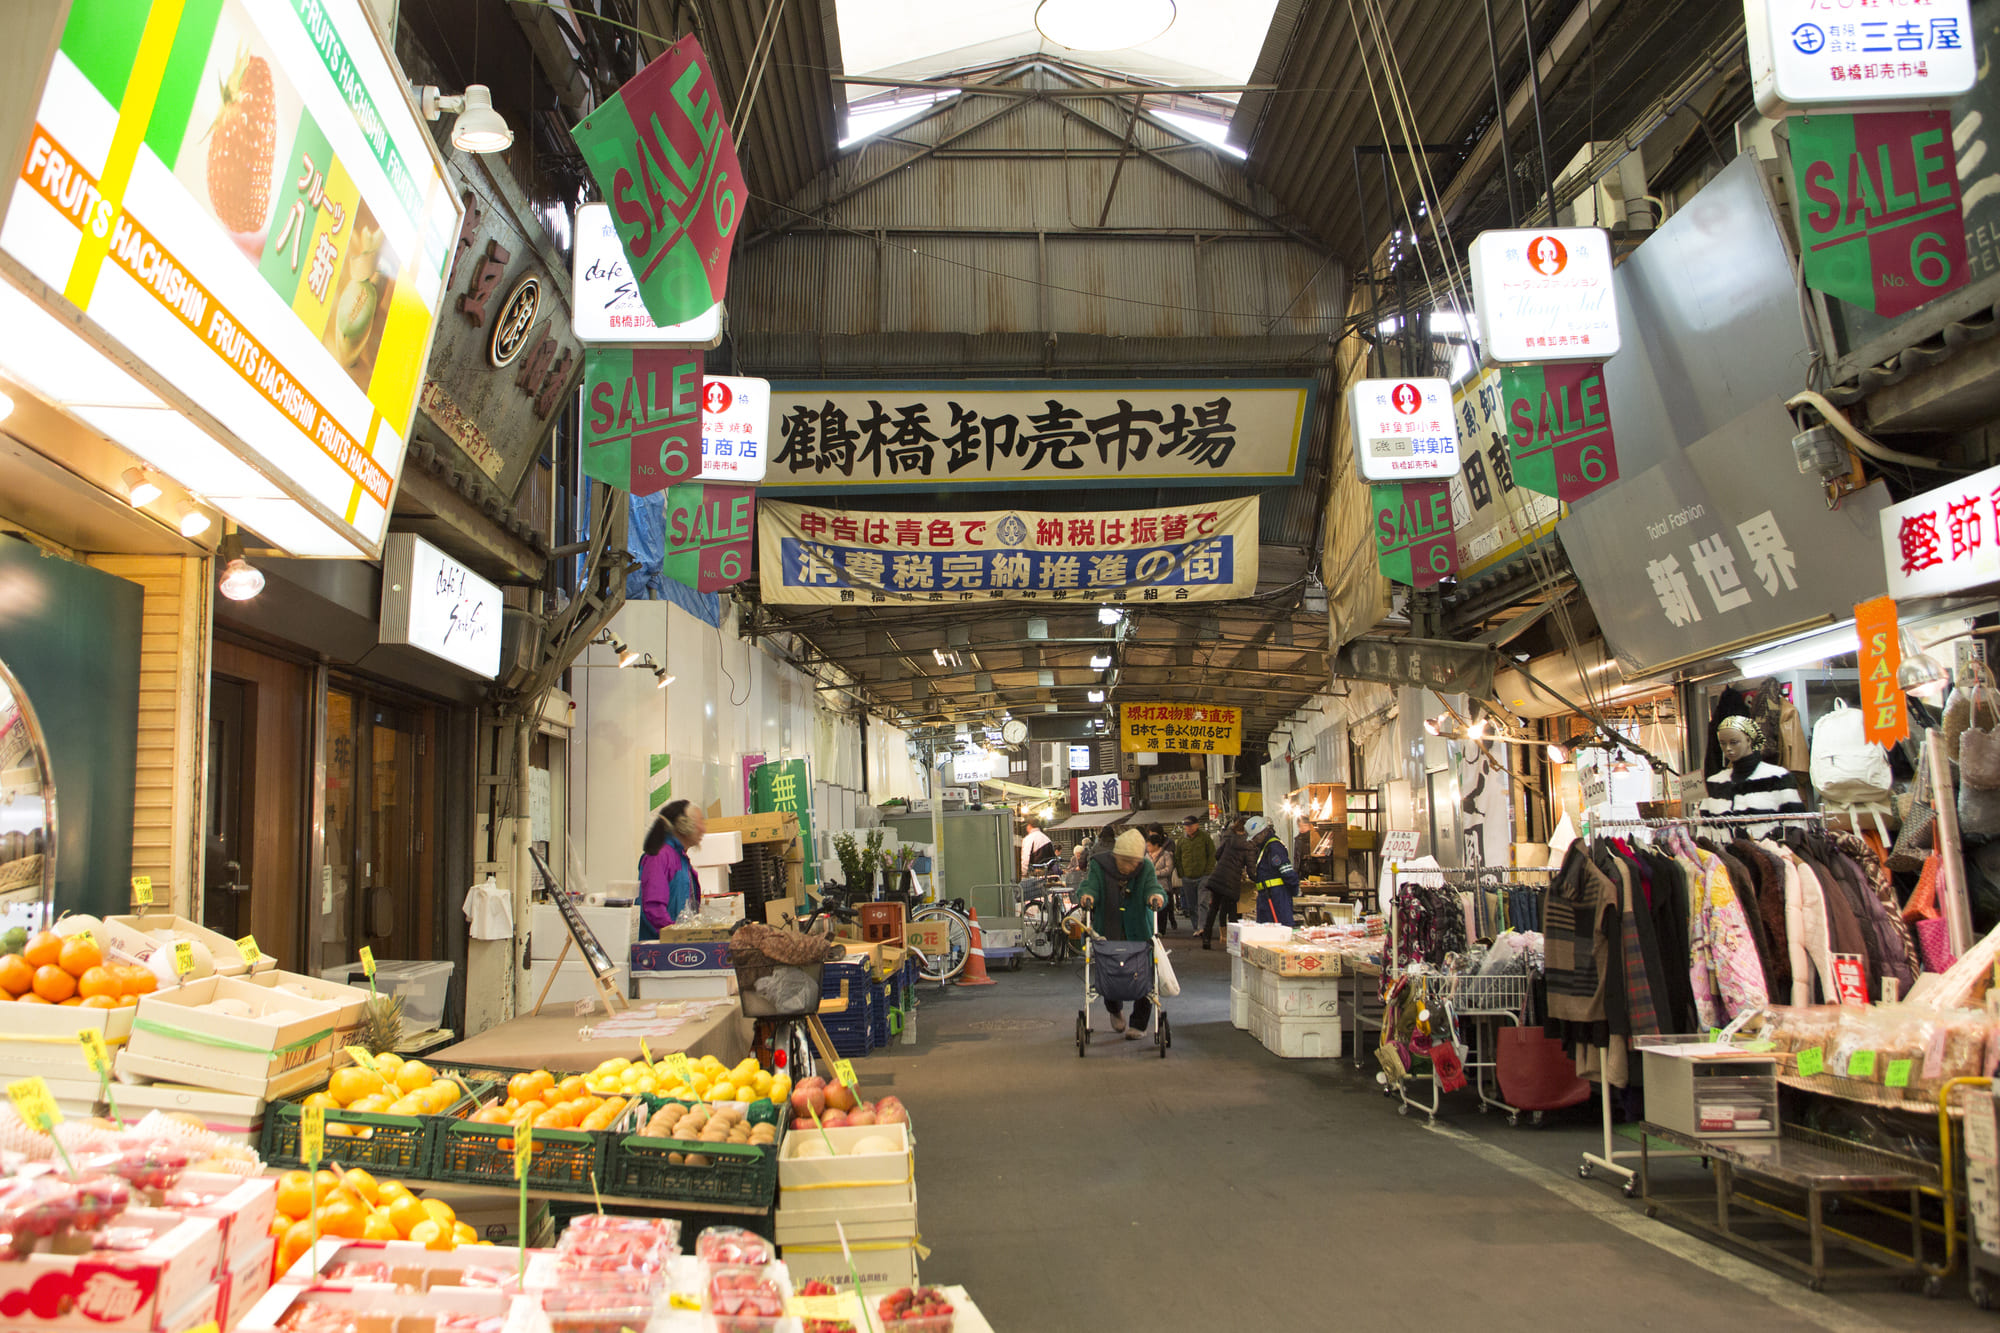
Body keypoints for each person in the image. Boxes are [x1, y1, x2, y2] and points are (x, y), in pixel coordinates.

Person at [1079, 828, 1165, 1038]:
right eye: (1125, 861)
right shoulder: (1100, 864)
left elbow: (1153, 887)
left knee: (1144, 976)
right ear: (1115, 855)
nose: (1129, 867)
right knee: (1109, 972)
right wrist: (1087, 895)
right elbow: (1090, 886)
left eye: (1133, 863)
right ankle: (1114, 1010)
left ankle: (1139, 1024)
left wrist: (1156, 896)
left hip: (1138, 929)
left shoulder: (1144, 867)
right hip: (1108, 928)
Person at [638, 799, 706, 941]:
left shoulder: (679, 857)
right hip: (662, 949)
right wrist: (676, 937)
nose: (703, 829)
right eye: (700, 822)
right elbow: (652, 907)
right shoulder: (660, 856)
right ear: (684, 824)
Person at [1201, 817, 1251, 949]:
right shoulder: (1248, 845)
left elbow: (1217, 854)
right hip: (1232, 880)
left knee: (1213, 909)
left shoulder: (1228, 839)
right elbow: (1251, 867)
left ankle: (1206, 939)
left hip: (1218, 876)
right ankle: (1234, 942)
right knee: (1233, 911)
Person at [1243, 815, 1298, 927]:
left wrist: (1294, 890)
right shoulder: (1265, 848)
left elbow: (1287, 871)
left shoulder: (1274, 848)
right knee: (1266, 930)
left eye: (1255, 837)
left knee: (1280, 930)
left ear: (1263, 832)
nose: (1254, 841)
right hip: (1268, 897)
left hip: (1276, 898)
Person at [1174, 815, 1215, 933]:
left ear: (1197, 825)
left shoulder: (1205, 838)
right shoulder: (1181, 841)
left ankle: (1203, 927)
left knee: (1202, 903)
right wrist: (1182, 874)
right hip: (1187, 878)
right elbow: (1177, 858)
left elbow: (1212, 855)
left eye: (1190, 825)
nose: (1188, 828)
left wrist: (1208, 872)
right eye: (1186, 826)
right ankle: (1196, 927)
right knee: (1191, 905)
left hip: (1203, 876)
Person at [1144, 828, 1179, 930]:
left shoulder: (1166, 855)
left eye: (1149, 845)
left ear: (1156, 845)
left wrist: (1155, 873)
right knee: (1151, 909)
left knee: (1163, 909)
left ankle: (1162, 929)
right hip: (1150, 886)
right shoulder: (1146, 856)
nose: (1147, 847)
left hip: (1163, 885)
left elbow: (1169, 869)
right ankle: (1154, 928)